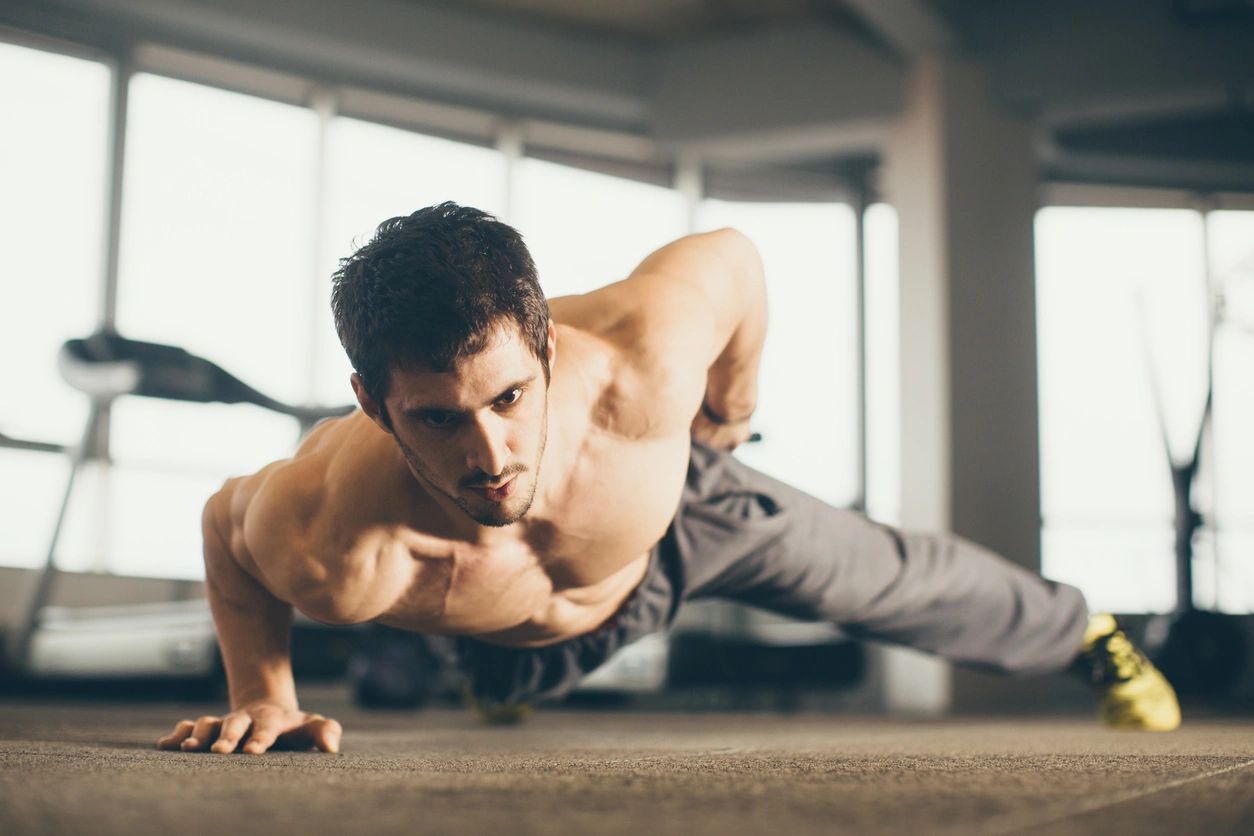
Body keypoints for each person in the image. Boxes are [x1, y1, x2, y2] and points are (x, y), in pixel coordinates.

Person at [158, 202, 1179, 756]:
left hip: (676, 511)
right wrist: (265, 691)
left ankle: (1086, 634)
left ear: (549, 350)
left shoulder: (642, 359)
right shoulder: (331, 531)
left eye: (510, 397)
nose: (488, 455)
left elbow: (734, 258)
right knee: (509, 670)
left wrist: (729, 410)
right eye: (437, 417)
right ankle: (505, 678)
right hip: (525, 625)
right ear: (373, 402)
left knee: (883, 571)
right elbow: (221, 525)